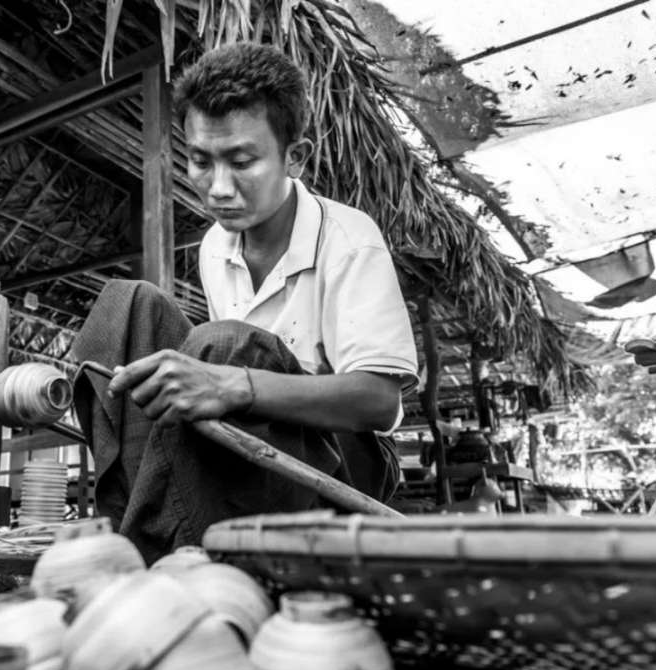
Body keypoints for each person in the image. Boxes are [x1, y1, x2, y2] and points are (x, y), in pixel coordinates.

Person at [72, 42, 418, 562]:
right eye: (200, 161)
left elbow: (379, 402)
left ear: (294, 157)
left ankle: (151, 557)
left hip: (351, 460)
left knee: (225, 345)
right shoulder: (214, 247)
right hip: (255, 454)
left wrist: (233, 383)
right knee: (128, 307)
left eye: (241, 162)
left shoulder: (350, 239)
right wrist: (217, 381)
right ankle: (131, 536)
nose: (218, 188)